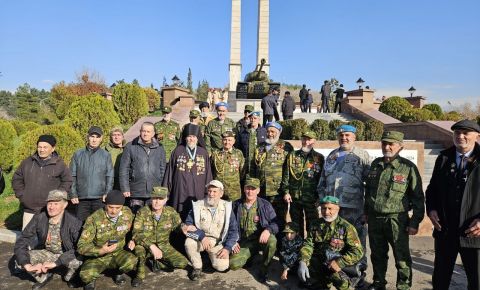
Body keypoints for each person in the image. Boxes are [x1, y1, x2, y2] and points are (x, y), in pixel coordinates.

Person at [365, 131, 424, 290]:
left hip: (397, 219)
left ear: (400, 147)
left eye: (391, 144)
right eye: (384, 143)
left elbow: (418, 197)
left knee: (402, 257)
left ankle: (403, 285)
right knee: (377, 254)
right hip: (375, 218)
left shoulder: (407, 168)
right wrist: (366, 212)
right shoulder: (375, 164)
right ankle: (378, 282)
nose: (387, 146)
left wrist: (415, 222)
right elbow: (369, 192)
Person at [425, 120, 480, 290]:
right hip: (445, 230)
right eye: (457, 133)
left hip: (473, 232)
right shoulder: (444, 157)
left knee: (476, 280)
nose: (460, 136)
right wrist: (432, 209)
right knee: (440, 279)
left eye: (465, 133)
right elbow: (432, 189)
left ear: (477, 135)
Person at [317, 124, 370, 282]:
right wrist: (321, 201)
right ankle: (339, 274)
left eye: (347, 135)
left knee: (357, 243)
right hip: (333, 209)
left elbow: (370, 184)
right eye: (341, 135)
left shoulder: (362, 155)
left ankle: (358, 276)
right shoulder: (332, 155)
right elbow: (323, 180)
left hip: (354, 208)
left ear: (354, 137)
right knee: (336, 242)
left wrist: (367, 209)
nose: (344, 138)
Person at [14, 190, 82, 290]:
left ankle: (71, 276)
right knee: (19, 260)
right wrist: (27, 265)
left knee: (77, 262)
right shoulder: (39, 218)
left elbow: (79, 248)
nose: (51, 207)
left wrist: (56, 263)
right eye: (49, 203)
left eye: (56, 203)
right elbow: (23, 239)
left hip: (66, 254)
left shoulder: (73, 222)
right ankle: (44, 277)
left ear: (65, 205)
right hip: (48, 252)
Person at [298, 196, 363, 290]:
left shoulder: (346, 227)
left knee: (341, 282)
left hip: (337, 265)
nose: (326, 212)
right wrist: (303, 261)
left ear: (338, 208)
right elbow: (308, 244)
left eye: (330, 208)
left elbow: (357, 251)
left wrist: (340, 263)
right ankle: (321, 283)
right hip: (320, 261)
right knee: (308, 273)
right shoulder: (315, 224)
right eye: (323, 208)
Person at [77, 190, 138, 290]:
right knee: (85, 276)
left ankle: (117, 273)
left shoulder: (127, 213)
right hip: (98, 257)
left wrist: (133, 239)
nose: (113, 211)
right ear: (105, 204)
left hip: (117, 253)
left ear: (122, 206)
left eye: (117, 208)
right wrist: (101, 250)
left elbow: (137, 227)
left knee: (132, 261)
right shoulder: (94, 219)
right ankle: (92, 279)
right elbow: (81, 246)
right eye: (110, 207)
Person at [132, 186, 188, 287]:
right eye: (154, 198)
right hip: (144, 245)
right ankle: (139, 275)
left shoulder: (170, 212)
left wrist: (184, 228)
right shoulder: (143, 212)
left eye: (160, 199)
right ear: (151, 198)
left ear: (166, 199)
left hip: (163, 245)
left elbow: (178, 226)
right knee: (139, 251)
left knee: (182, 263)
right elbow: (136, 233)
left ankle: (156, 262)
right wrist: (152, 246)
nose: (157, 202)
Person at [182, 180, 239, 281]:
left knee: (221, 267)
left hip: (218, 242)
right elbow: (188, 225)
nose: (211, 194)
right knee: (189, 243)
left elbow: (233, 231)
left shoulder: (227, 207)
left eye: (214, 191)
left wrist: (227, 248)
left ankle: (210, 257)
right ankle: (197, 267)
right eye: (209, 191)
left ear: (221, 193)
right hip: (200, 239)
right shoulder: (198, 205)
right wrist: (202, 236)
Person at [13, 135, 72, 229]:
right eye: (39, 147)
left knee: (47, 241)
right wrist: (22, 195)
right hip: (30, 209)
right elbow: (17, 178)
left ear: (53, 148)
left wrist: (57, 196)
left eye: (45, 147)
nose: (42, 150)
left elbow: (67, 180)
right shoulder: (27, 162)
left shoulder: (60, 164)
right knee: (27, 240)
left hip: (49, 211)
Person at [230, 177, 278, 283]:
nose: (250, 191)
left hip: (260, 240)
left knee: (272, 241)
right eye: (248, 188)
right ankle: (250, 255)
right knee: (233, 264)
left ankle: (263, 270)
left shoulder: (265, 205)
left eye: (253, 189)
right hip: (244, 242)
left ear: (258, 191)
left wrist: (268, 230)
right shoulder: (236, 205)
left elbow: (276, 223)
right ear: (244, 189)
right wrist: (233, 241)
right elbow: (229, 225)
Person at [163, 124, 212, 219]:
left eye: (194, 136)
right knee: (179, 217)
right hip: (180, 191)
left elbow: (208, 175)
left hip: (199, 192)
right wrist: (166, 193)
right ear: (185, 138)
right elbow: (169, 173)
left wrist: (208, 192)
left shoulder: (203, 153)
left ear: (198, 138)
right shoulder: (177, 151)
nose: (191, 139)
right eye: (189, 136)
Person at [283, 130, 324, 235]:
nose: (306, 142)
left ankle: (311, 247)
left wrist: (320, 196)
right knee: (296, 224)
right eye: (304, 139)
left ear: (314, 141)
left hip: (311, 197)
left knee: (312, 224)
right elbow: (286, 175)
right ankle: (298, 246)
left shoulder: (319, 158)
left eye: (309, 139)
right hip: (294, 196)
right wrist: (286, 192)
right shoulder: (292, 155)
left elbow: (321, 179)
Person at [119, 122, 166, 213]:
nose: (145, 134)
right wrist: (125, 188)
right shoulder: (131, 146)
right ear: (140, 131)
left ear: (153, 133)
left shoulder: (160, 148)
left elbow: (163, 168)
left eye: (148, 131)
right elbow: (124, 168)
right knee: (136, 217)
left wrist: (163, 189)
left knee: (151, 218)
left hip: (154, 191)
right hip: (136, 190)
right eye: (143, 131)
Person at [252, 122, 293, 226]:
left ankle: (278, 241)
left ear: (279, 132)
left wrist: (286, 190)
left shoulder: (286, 147)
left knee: (278, 219)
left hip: (277, 191)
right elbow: (253, 168)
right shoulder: (260, 147)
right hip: (262, 190)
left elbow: (289, 170)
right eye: (268, 131)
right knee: (262, 217)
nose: (270, 134)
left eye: (273, 132)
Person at [70, 127, 113, 222]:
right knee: (79, 226)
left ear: (101, 138)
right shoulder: (78, 154)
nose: (94, 139)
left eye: (97, 137)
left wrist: (107, 192)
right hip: (81, 198)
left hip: (100, 198)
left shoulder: (106, 155)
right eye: (92, 136)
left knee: (99, 225)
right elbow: (72, 175)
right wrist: (73, 194)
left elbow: (109, 175)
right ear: (87, 137)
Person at [211, 131, 245, 201]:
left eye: (230, 140)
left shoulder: (238, 153)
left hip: (233, 191)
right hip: (219, 190)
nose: (227, 142)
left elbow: (242, 172)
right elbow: (211, 170)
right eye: (225, 140)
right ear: (222, 141)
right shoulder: (215, 154)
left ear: (234, 141)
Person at [236, 111, 267, 176]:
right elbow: (238, 146)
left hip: (259, 162)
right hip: (246, 163)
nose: (253, 120)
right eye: (251, 118)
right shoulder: (243, 131)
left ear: (259, 119)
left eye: (255, 118)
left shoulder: (264, 131)